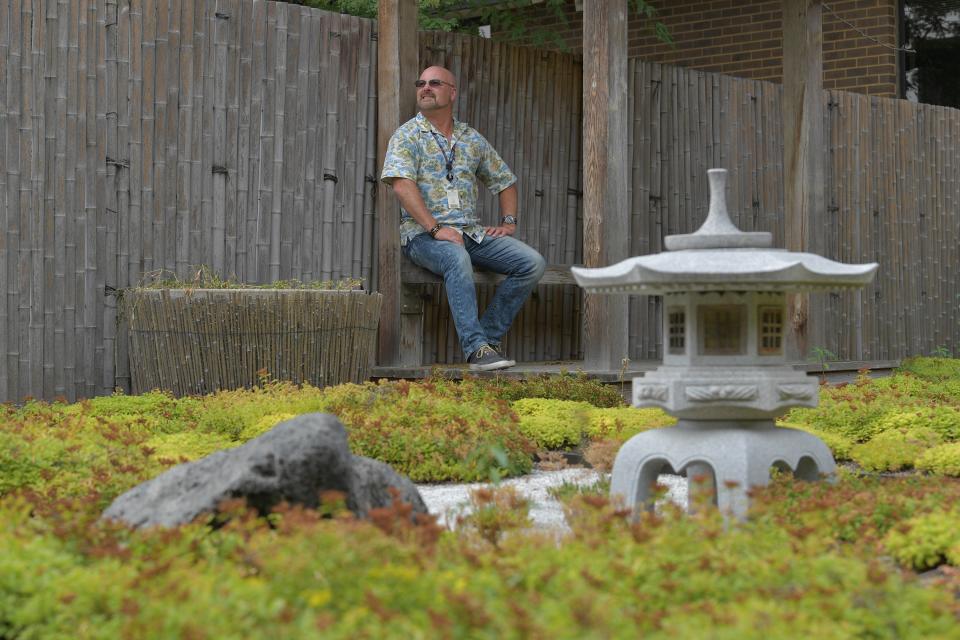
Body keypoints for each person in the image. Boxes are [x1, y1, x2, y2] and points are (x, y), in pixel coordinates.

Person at [381, 66, 546, 371]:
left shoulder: (471, 139)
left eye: (434, 83)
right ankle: (476, 350)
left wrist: (508, 221)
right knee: (456, 257)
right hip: (423, 237)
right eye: (421, 83)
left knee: (531, 263)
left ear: (452, 92)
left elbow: (504, 180)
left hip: (470, 234)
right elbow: (402, 185)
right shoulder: (407, 135)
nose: (425, 88)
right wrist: (436, 228)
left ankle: (488, 339)